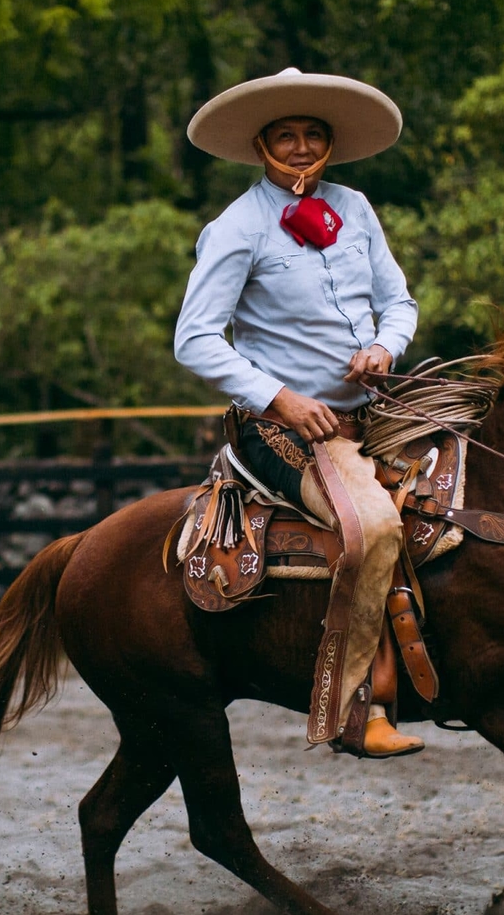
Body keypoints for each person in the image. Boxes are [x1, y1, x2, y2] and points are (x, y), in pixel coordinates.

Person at [175, 67, 424, 758]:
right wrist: (279, 397)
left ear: (330, 144)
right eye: (285, 135)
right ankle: (353, 707)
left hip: (374, 408)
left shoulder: (358, 207)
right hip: (281, 429)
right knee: (373, 525)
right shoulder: (237, 227)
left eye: (313, 133)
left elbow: (399, 301)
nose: (300, 145)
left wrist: (383, 345)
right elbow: (193, 337)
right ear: (260, 144)